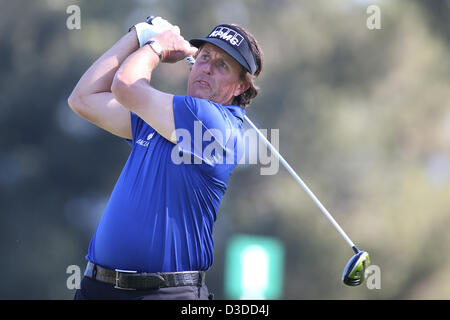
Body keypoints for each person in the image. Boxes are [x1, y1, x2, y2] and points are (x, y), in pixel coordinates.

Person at [68, 16, 263, 300]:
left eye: (222, 65)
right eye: (204, 57)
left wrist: (155, 46)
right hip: (98, 289)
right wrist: (138, 33)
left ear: (240, 87)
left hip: (166, 294)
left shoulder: (213, 123)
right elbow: (82, 98)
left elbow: (125, 86)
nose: (206, 68)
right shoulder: (163, 116)